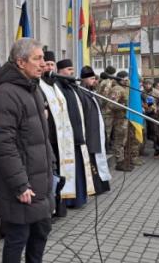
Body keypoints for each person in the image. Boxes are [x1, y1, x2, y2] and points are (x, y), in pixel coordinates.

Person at [0, 38, 63, 263]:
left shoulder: (32, 89)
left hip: (41, 178)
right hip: (20, 183)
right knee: (17, 237)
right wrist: (20, 184)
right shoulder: (7, 93)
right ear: (20, 62)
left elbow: (41, 138)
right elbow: (3, 144)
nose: (43, 63)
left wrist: (52, 167)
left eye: (43, 58)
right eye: (37, 58)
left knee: (41, 230)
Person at [39, 51, 75, 217]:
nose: (50, 67)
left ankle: (60, 206)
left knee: (60, 174)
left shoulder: (55, 85)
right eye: (47, 64)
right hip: (47, 138)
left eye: (52, 64)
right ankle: (50, 209)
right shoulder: (39, 85)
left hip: (60, 139)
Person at [56, 59, 94, 206]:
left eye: (72, 69)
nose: (71, 72)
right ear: (60, 71)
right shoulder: (58, 86)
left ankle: (78, 198)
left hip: (78, 134)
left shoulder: (72, 86)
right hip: (66, 137)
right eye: (68, 69)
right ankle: (69, 200)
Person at [78, 66, 112, 195]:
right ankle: (95, 187)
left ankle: (102, 185)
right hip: (89, 133)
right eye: (92, 78)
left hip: (96, 131)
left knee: (99, 158)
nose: (95, 81)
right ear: (84, 79)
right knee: (92, 161)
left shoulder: (91, 92)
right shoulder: (81, 92)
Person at [108, 71, 132, 171]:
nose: (127, 82)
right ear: (120, 79)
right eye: (125, 80)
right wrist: (125, 106)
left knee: (123, 140)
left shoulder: (124, 88)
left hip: (125, 118)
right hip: (119, 119)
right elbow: (111, 104)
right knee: (119, 140)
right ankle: (119, 161)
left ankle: (123, 160)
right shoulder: (117, 89)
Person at [97, 65, 117, 151]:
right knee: (107, 129)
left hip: (103, 108)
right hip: (106, 109)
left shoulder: (103, 81)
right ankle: (106, 147)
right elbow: (105, 96)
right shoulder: (107, 82)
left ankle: (106, 146)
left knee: (106, 129)